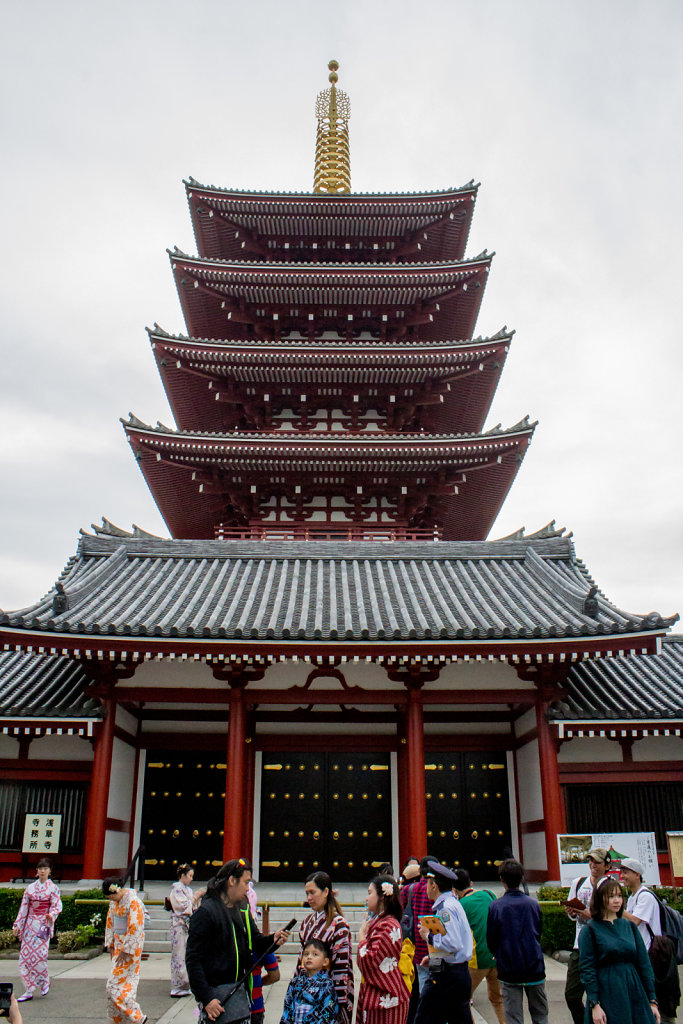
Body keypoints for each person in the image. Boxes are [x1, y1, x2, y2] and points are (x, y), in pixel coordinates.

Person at [186, 857, 290, 1024]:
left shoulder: (242, 907)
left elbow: (255, 941)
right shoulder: (206, 912)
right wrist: (206, 998)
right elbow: (193, 960)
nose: (248, 888)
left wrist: (273, 940)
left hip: (240, 993)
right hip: (216, 996)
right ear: (232, 881)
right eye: (246, 882)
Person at [579, 875, 660, 1024]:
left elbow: (644, 964)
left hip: (634, 989)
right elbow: (587, 969)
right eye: (611, 896)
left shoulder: (629, 926)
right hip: (608, 991)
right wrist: (594, 1004)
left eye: (619, 896)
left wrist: (652, 999)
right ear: (599, 898)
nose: (616, 900)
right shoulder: (590, 930)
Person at [486, 858, 548, 1024]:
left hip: (509, 966)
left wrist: (497, 953)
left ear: (502, 880)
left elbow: (491, 938)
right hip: (534, 964)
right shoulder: (533, 904)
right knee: (540, 1014)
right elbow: (539, 930)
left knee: (513, 1017)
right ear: (521, 878)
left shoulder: (496, 906)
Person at [413, 860, 473, 1024]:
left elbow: (453, 943)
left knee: (424, 1017)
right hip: (455, 973)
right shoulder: (453, 903)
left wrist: (428, 936)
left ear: (434, 886)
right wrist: (434, 958)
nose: (425, 887)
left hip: (448, 976)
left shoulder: (446, 908)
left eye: (427, 883)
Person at [621, 857, 680, 1024]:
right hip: (642, 955)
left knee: (657, 998)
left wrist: (616, 907)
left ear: (637, 874)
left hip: (653, 955)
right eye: (621, 872)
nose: (622, 876)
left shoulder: (645, 896)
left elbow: (634, 921)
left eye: (626, 872)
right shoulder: (633, 897)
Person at [297, 870, 354, 1024]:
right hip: (305, 993)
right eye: (306, 893)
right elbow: (300, 962)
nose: (309, 897)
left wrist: (338, 1002)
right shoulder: (306, 923)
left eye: (312, 892)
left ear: (326, 892)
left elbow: (341, 969)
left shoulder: (339, 925)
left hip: (328, 995)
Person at [564, 847, 611, 1024]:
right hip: (580, 946)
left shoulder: (611, 886)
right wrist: (572, 912)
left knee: (602, 994)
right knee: (571, 995)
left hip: (603, 946)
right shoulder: (578, 882)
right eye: (590, 861)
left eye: (597, 862)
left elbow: (614, 918)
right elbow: (571, 915)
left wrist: (588, 914)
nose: (593, 865)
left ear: (607, 865)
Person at [453, 869, 505, 1024]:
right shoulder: (489, 894)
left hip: (477, 959)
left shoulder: (460, 905)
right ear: (471, 884)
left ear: (454, 890)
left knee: (462, 999)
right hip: (497, 956)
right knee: (497, 998)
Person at [356, 875, 410, 1024]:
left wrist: (362, 938)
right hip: (380, 994)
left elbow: (369, 961)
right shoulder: (382, 922)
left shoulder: (387, 925)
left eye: (369, 893)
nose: (366, 898)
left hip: (385, 995)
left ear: (382, 896)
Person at [11, 857, 62, 1002]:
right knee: (25, 958)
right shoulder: (30, 888)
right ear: (36, 871)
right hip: (29, 924)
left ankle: (44, 981)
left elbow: (57, 905)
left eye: (45, 869)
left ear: (50, 871)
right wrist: (18, 925)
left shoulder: (53, 888)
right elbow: (24, 908)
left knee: (40, 955)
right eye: (40, 869)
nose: (42, 871)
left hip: (43, 923)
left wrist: (51, 915)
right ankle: (29, 989)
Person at [103, 876, 147, 1024]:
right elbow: (110, 923)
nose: (110, 899)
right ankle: (122, 1019)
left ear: (117, 891)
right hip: (118, 946)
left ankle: (136, 1016)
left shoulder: (134, 902)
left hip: (129, 949)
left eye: (111, 895)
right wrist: (111, 944)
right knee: (123, 986)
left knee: (113, 986)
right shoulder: (114, 903)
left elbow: (135, 926)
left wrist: (126, 949)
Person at [281, 938, 338, 1024]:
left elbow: (328, 1013)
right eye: (306, 954)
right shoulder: (295, 982)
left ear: (325, 961)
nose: (309, 957)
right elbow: (287, 1008)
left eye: (315, 954)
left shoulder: (326, 984)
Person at [169, 862, 197, 997]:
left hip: (188, 926)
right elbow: (183, 907)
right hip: (179, 925)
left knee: (187, 954)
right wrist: (195, 898)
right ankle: (178, 985)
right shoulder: (177, 889)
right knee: (179, 954)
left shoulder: (188, 890)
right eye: (190, 875)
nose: (191, 878)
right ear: (183, 875)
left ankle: (186, 983)